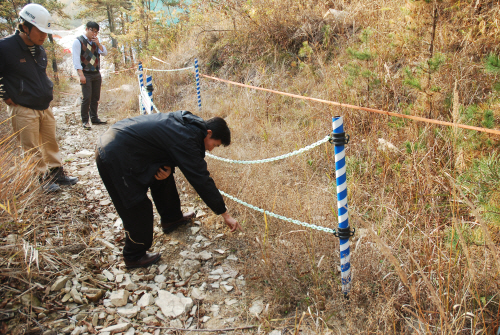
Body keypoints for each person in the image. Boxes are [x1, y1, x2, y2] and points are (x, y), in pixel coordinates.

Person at [96, 110, 242, 269]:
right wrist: (224, 214)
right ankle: (134, 255)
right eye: (214, 144)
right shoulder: (187, 138)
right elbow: (201, 180)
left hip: (124, 142)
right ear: (209, 133)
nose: (212, 149)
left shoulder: (190, 124)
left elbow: (165, 146)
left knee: (164, 175)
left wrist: (168, 166)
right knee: (138, 206)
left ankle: (171, 219)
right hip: (113, 154)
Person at [0, 4, 78, 193]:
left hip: (44, 105)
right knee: (31, 146)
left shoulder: (39, 49)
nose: (44, 35)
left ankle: (56, 173)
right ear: (25, 27)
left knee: (50, 141)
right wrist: (6, 96)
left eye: (46, 31)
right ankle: (40, 179)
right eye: (40, 31)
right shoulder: (5, 47)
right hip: (23, 107)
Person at [72, 21, 108, 130]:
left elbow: (104, 53)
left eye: (96, 32)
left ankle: (94, 117)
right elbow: (76, 60)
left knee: (95, 97)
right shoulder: (78, 41)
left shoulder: (96, 42)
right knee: (87, 97)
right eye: (92, 31)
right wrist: (81, 74)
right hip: (86, 73)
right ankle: (85, 121)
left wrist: (98, 44)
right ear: (87, 29)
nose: (94, 34)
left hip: (96, 72)